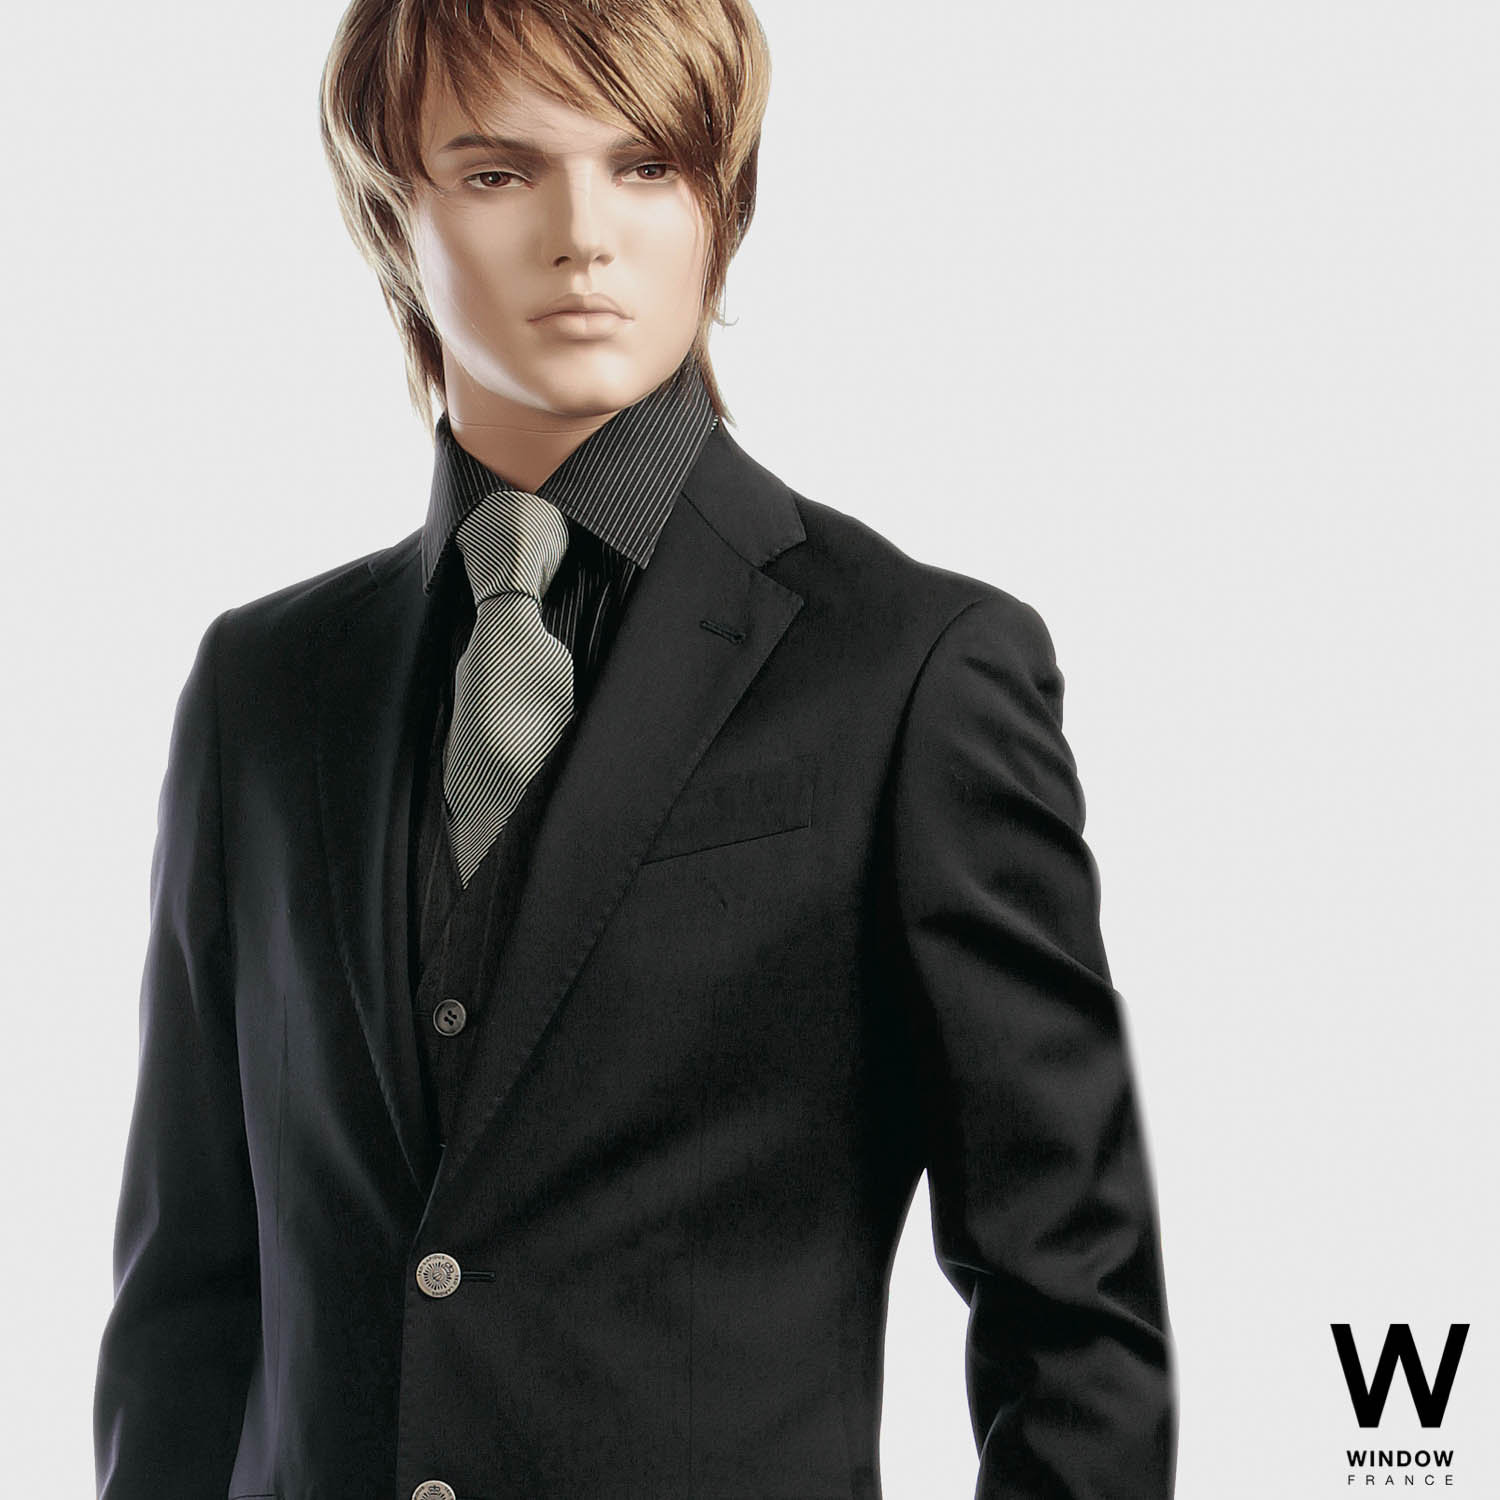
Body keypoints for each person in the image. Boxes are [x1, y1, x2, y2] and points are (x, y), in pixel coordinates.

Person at [94, 1, 1176, 1496]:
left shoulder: (912, 671)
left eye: (647, 165)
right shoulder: (263, 692)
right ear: (393, 214)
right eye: (498, 173)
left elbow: (1075, 1315)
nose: (583, 237)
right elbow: (190, 1299)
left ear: (721, 201)